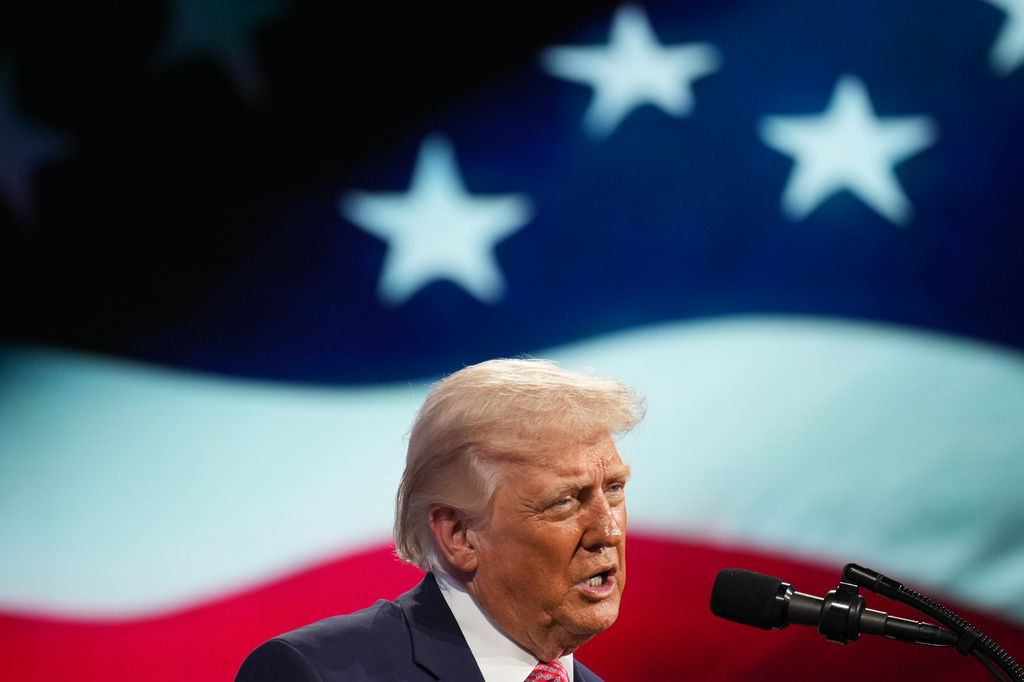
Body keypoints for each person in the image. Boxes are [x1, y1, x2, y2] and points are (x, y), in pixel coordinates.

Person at [235, 357, 645, 682]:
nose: (608, 530)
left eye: (613, 489)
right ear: (459, 536)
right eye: (564, 502)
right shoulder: (313, 673)